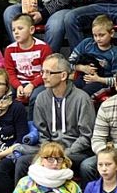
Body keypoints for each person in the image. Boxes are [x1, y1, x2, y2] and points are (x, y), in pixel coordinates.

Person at [15, 54, 95, 183]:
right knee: (22, 162)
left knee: (85, 165)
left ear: (63, 76)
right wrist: (50, 153)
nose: (43, 76)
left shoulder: (82, 98)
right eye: (42, 72)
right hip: (50, 151)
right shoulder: (41, 98)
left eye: (49, 72)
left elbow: (86, 136)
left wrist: (63, 154)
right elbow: (42, 133)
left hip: (76, 152)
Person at [4, 13, 52, 113]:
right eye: (13, 30)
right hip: (18, 82)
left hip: (39, 82)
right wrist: (18, 86)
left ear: (31, 30)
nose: (16, 32)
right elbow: (10, 73)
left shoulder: (43, 48)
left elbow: (47, 72)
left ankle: (32, 122)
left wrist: (32, 85)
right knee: (5, 94)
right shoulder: (9, 49)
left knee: (36, 97)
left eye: (20, 28)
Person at [68, 15, 117, 97]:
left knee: (83, 95)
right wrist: (81, 68)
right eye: (95, 35)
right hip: (82, 77)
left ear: (111, 33)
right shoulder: (86, 44)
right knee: (68, 90)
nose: (98, 39)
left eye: (101, 35)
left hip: (102, 83)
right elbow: (68, 63)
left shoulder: (115, 55)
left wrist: (98, 79)